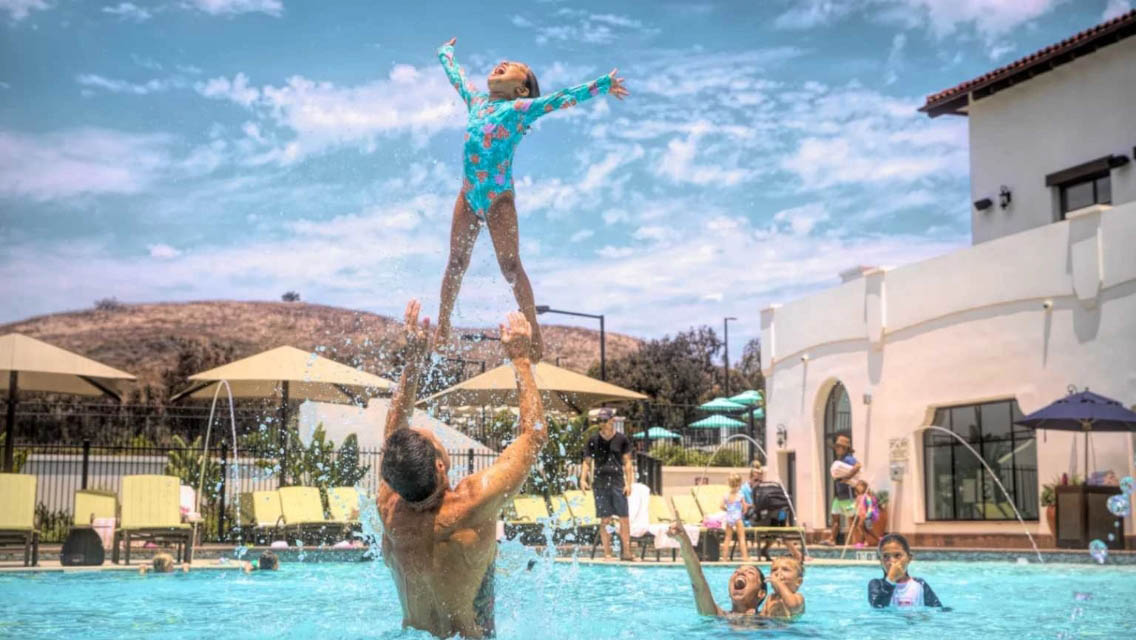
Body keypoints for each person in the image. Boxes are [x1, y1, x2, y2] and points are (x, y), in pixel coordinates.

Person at [432, 37, 629, 361]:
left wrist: (602, 85)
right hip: (468, 195)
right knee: (456, 262)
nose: (503, 62)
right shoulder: (477, 102)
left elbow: (560, 98)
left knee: (510, 267)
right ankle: (443, 325)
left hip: (498, 198)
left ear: (521, 90)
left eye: (514, 66)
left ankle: (534, 329)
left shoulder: (520, 110)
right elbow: (459, 79)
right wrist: (446, 53)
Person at [377, 300, 548, 639]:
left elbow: (393, 437)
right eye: (433, 438)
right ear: (440, 466)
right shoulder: (472, 503)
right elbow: (534, 436)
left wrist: (413, 363)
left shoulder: (389, 506)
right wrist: (520, 360)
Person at [666, 517, 768, 618]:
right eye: (736, 571)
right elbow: (698, 583)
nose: (740, 573)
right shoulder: (718, 616)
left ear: (761, 593)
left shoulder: (767, 617)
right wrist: (684, 540)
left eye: (750, 572)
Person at [580, 408, 635, 561]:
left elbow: (627, 462)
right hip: (600, 484)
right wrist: (583, 479)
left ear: (612, 420)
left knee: (624, 518)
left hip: (618, 483)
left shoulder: (622, 439)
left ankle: (626, 553)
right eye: (600, 421)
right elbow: (586, 462)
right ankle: (607, 553)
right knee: (605, 519)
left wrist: (629, 483)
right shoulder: (593, 440)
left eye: (605, 420)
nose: (602, 423)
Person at [868, 533, 944, 608]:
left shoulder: (920, 584)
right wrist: (890, 580)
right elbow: (877, 606)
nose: (892, 561)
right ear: (881, 561)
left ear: (909, 558)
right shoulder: (877, 585)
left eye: (897, 555)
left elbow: (938, 609)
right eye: (886, 556)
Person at [744, 462, 792, 560]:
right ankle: (795, 553)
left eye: (760, 480)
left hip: (763, 517)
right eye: (756, 480)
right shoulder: (745, 489)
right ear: (750, 478)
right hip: (749, 518)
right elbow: (743, 507)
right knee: (778, 525)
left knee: (779, 518)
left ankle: (766, 549)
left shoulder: (762, 490)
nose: (759, 482)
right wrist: (753, 506)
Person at [823, 434, 859, 545]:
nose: (837, 449)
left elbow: (858, 466)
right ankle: (832, 539)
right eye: (836, 447)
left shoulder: (849, 458)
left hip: (847, 494)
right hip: (838, 495)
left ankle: (858, 540)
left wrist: (848, 477)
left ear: (844, 448)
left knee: (853, 519)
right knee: (835, 517)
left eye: (839, 447)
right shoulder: (840, 460)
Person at [761, 555, 806, 620]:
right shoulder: (770, 598)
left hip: (790, 626)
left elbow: (792, 606)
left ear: (798, 582)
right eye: (774, 570)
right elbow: (763, 616)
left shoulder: (798, 597)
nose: (777, 572)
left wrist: (779, 584)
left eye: (785, 569)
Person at [721, 473, 751, 562]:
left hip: (729, 517)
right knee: (741, 538)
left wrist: (728, 510)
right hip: (737, 517)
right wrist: (742, 512)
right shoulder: (740, 495)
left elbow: (721, 506)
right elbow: (745, 508)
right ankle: (745, 558)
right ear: (739, 483)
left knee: (727, 538)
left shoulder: (726, 495)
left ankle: (724, 558)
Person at [849, 479, 880, 547]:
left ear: (865, 487)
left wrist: (868, 514)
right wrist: (849, 507)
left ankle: (864, 542)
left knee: (861, 526)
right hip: (861, 515)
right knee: (867, 529)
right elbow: (855, 505)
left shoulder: (867, 496)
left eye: (861, 486)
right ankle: (874, 540)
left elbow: (870, 506)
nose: (859, 488)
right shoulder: (858, 497)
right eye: (858, 487)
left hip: (866, 515)